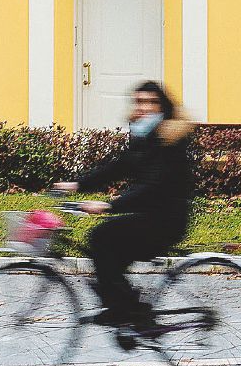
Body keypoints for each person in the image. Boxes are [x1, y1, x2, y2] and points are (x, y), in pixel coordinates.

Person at [54, 81, 195, 331]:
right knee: (108, 256)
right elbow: (117, 168)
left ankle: (127, 311)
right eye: (140, 102)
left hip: (168, 219)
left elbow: (153, 186)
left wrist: (109, 206)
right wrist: (77, 184)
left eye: (151, 102)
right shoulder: (146, 138)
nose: (144, 108)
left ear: (163, 107)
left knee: (101, 237)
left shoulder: (169, 141)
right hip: (150, 216)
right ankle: (127, 312)